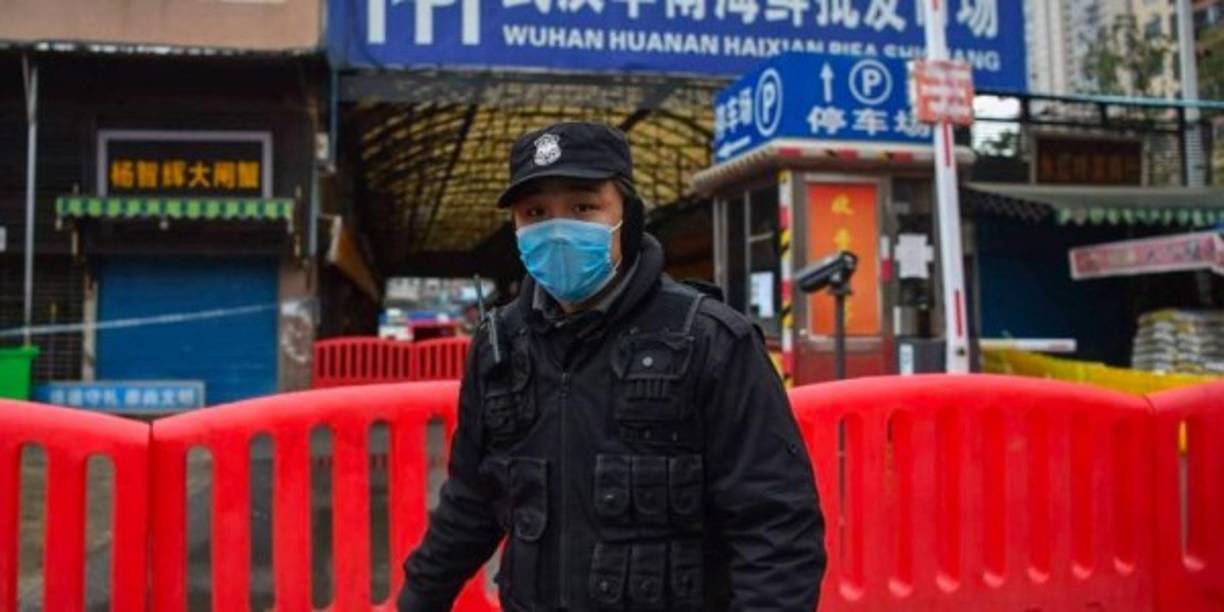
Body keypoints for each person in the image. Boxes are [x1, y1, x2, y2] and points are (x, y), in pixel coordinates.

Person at [397, 121, 826, 611]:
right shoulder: (500, 347)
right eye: (535, 213)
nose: (557, 230)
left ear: (629, 217)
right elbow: (471, 501)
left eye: (583, 207)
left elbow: (775, 528)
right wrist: (417, 601)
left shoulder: (711, 341)